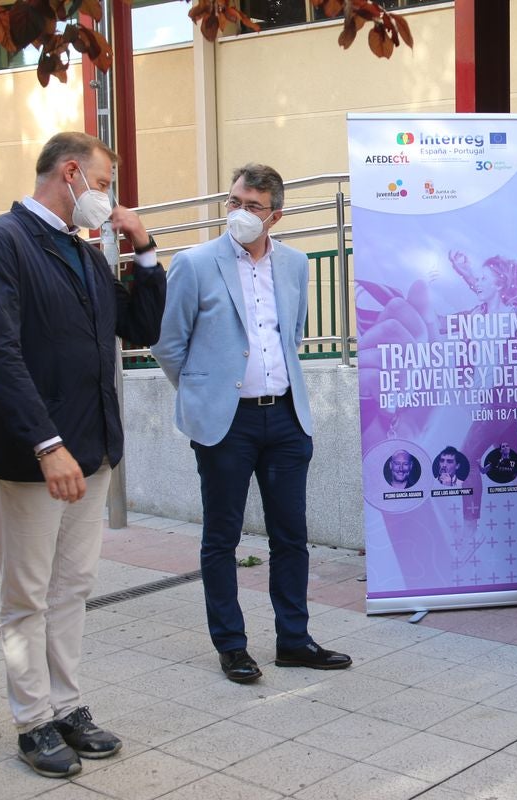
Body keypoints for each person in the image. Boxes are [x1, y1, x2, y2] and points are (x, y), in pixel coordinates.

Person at [0, 132, 165, 778]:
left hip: (94, 449)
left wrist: (146, 252)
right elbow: (0, 354)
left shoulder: (83, 251)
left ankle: (68, 705)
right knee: (27, 592)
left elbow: (139, 330)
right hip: (36, 457)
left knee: (72, 587)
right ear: (71, 173)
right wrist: (47, 445)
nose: (106, 197)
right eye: (104, 184)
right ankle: (33, 721)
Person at [152, 163, 351, 685]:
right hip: (226, 425)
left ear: (276, 216)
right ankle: (232, 645)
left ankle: (294, 639)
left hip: (285, 418)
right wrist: (205, 393)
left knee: (291, 537)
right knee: (222, 537)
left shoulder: (295, 264)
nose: (240, 214)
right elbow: (169, 344)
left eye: (253, 207)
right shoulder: (194, 264)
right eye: (234, 203)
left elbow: (296, 333)